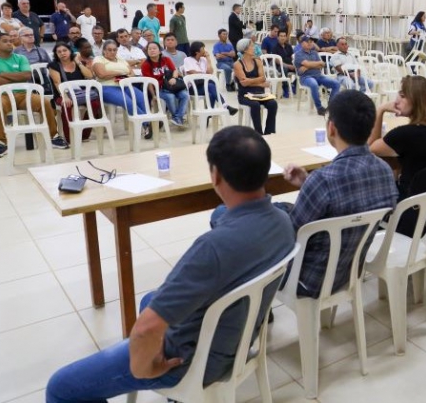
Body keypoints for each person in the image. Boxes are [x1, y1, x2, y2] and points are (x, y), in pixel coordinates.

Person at [46, 126, 295, 403]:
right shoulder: (284, 223)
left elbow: (145, 329)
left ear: (215, 176)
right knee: (151, 300)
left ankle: (174, 387)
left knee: (61, 388)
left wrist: (144, 368)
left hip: (194, 359)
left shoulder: (212, 248)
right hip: (237, 339)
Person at [281, 91, 397, 298]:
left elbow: (291, 234)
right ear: (371, 127)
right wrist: (307, 184)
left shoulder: (323, 180)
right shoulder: (384, 170)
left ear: (331, 128)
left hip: (310, 279)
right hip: (351, 269)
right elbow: (350, 204)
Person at [0, 33, 68, 159]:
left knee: (44, 102)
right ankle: (1, 142)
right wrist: (16, 78)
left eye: (10, 40)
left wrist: (2, 75)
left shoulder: (20, 58)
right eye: (5, 41)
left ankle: (53, 136)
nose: (9, 43)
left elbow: (26, 76)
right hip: (1, 95)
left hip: (23, 94)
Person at [369, 75, 426, 198]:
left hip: (410, 204)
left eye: (403, 96)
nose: (396, 101)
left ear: (417, 100)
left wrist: (380, 110)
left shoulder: (403, 135)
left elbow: (371, 147)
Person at [92, 39, 151, 138]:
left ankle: (147, 128)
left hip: (125, 85)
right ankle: (148, 124)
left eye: (114, 50)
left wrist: (121, 75)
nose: (112, 52)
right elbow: (102, 74)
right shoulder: (99, 59)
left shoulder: (121, 60)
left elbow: (131, 73)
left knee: (141, 98)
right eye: (109, 50)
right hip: (107, 87)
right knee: (128, 102)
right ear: (104, 51)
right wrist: (120, 73)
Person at [47, 41, 99, 142]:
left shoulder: (78, 63)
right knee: (67, 105)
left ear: (70, 51)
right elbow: (57, 83)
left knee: (95, 104)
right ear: (56, 54)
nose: (62, 53)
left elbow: (89, 76)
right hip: (63, 94)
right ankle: (69, 137)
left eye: (65, 50)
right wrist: (65, 96)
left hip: (80, 94)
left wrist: (78, 62)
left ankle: (84, 134)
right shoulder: (53, 65)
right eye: (59, 52)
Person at [183, 41, 239, 116]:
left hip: (204, 85)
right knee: (210, 86)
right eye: (203, 48)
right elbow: (192, 72)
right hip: (193, 87)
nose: (205, 50)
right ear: (197, 52)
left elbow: (210, 72)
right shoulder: (188, 60)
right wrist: (204, 75)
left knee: (211, 93)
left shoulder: (203, 60)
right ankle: (225, 106)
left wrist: (208, 59)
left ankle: (208, 115)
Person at [234, 38, 277, 135]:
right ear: (245, 49)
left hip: (259, 93)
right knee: (255, 105)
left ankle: (269, 132)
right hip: (245, 95)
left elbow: (263, 78)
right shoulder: (238, 64)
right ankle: (258, 133)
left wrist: (250, 81)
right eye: (252, 46)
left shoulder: (258, 61)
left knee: (273, 104)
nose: (254, 48)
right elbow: (244, 84)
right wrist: (259, 83)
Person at [142, 41, 187, 128]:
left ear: (159, 51)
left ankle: (177, 117)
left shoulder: (166, 59)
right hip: (159, 89)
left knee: (185, 95)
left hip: (172, 86)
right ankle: (178, 118)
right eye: (149, 49)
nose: (152, 50)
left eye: (154, 48)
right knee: (170, 97)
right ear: (147, 51)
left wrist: (174, 78)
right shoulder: (146, 65)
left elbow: (174, 70)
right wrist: (154, 95)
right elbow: (148, 82)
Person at [293, 35, 340, 116]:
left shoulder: (314, 53)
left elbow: (322, 64)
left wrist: (308, 66)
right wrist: (313, 64)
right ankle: (319, 108)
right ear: (302, 43)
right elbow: (309, 63)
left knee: (336, 83)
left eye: (311, 41)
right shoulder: (298, 54)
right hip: (306, 77)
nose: (310, 43)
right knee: (314, 84)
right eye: (307, 41)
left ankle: (331, 105)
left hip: (319, 76)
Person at [269, 29, 296, 98]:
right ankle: (285, 88)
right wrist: (288, 66)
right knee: (284, 68)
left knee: (301, 69)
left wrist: (294, 64)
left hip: (290, 65)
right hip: (280, 67)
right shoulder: (275, 47)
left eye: (284, 36)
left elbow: (292, 56)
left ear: (286, 37)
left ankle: (294, 85)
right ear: (278, 37)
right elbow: (277, 61)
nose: (283, 38)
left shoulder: (289, 46)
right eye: (281, 36)